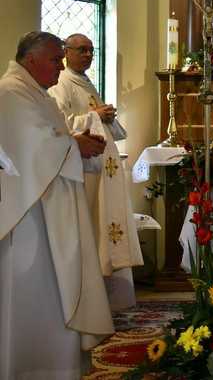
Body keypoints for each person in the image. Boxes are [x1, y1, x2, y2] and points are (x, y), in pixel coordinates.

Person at [0, 31, 114, 379]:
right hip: (29, 216)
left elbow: (56, 138)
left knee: (55, 290)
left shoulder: (39, 95)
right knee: (34, 294)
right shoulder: (10, 92)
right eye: (55, 59)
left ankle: (56, 367)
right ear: (31, 59)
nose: (61, 65)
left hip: (51, 208)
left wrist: (79, 144)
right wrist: (74, 145)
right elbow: (30, 147)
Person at [49, 33, 143, 311]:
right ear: (66, 52)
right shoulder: (61, 84)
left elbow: (98, 122)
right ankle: (89, 297)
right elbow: (60, 125)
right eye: (82, 50)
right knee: (91, 226)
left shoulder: (87, 83)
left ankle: (109, 295)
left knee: (103, 224)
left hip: (102, 169)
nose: (89, 55)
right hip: (83, 168)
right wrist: (95, 116)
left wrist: (106, 116)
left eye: (91, 50)